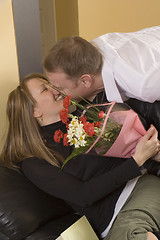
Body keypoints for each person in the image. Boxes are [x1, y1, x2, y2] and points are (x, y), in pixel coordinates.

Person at [1, 73, 160, 240]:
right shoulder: (35, 162)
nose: (54, 90)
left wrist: (143, 157)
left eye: (50, 84)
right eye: (44, 89)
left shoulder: (86, 119)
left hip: (137, 190)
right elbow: (83, 195)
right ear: (34, 110)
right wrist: (136, 161)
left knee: (132, 235)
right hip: (110, 225)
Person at [43, 26, 160, 104]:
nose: (53, 92)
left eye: (59, 88)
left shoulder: (143, 84)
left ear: (85, 81)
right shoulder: (87, 51)